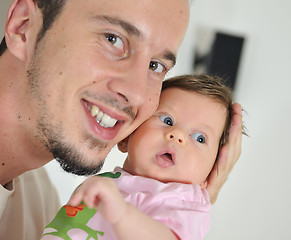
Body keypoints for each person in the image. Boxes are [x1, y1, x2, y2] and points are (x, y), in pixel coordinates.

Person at [0, 0, 243, 239]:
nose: (137, 94)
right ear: (23, 26)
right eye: (113, 39)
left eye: (155, 65)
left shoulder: (43, 202)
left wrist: (185, 203)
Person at [41, 74, 244, 240]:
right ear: (126, 137)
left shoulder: (184, 202)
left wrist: (122, 214)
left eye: (200, 138)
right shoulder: (108, 181)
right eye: (167, 120)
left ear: (212, 172)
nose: (178, 135)